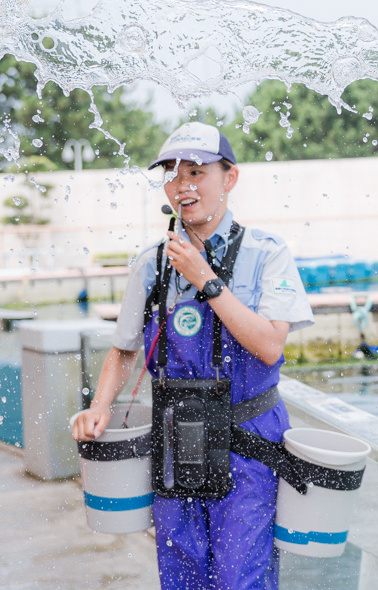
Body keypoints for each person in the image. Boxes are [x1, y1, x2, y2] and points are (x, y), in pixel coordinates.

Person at [71, 122, 314, 590]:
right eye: (172, 173)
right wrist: (100, 408)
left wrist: (206, 279)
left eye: (197, 172)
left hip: (248, 441)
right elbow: (124, 350)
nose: (183, 184)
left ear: (230, 178)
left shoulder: (268, 254)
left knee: (240, 576)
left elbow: (269, 345)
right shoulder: (151, 263)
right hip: (175, 440)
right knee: (181, 574)